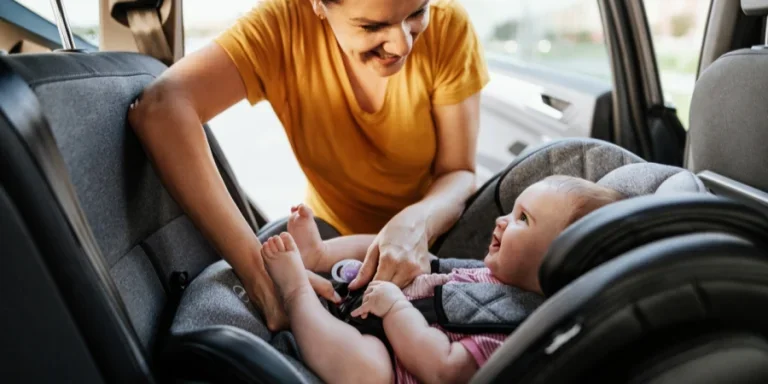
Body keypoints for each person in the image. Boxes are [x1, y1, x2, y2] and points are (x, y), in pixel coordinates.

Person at [128, 0, 490, 331]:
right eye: (370, 27)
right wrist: (262, 280)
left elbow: (458, 172)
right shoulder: (282, 27)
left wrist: (417, 222)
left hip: (434, 243)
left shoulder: (449, 27)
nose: (402, 45)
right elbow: (160, 110)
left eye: (416, 13)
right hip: (331, 239)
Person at [261, 175, 626, 384]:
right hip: (378, 303)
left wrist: (396, 310)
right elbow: (436, 275)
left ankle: (294, 294)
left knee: (369, 372)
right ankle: (320, 255)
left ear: (557, 262)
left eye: (522, 220)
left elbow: (443, 368)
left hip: (395, 366)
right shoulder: (492, 276)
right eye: (511, 211)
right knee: (411, 252)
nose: (501, 220)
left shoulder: (515, 334)